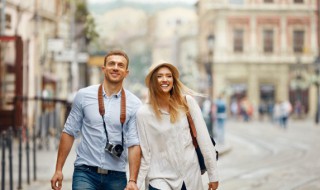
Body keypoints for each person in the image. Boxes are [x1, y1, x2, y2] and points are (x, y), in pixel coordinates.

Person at [51, 50, 142, 190]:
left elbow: (134, 144)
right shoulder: (83, 95)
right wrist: (58, 169)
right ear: (103, 68)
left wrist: (132, 180)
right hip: (85, 173)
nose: (116, 67)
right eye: (112, 64)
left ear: (126, 72)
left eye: (120, 65)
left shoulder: (135, 104)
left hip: (116, 175)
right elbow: (69, 132)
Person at [136, 62, 219, 190]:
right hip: (159, 180)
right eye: (159, 76)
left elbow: (204, 141)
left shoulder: (187, 103)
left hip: (190, 177)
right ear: (153, 81)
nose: (165, 79)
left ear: (173, 80)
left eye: (169, 76)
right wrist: (135, 183)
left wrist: (213, 175)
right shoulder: (143, 113)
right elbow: (145, 154)